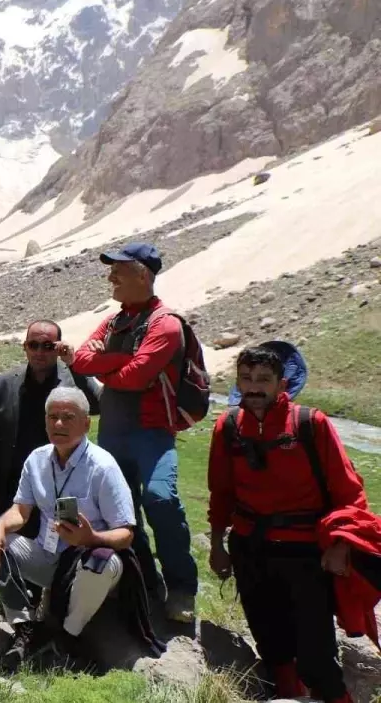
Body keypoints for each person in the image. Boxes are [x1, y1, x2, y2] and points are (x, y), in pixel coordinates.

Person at [207, 345, 374, 703]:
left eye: (263, 380)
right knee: (272, 645)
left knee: (316, 653)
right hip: (249, 548)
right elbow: (220, 492)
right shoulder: (228, 426)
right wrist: (218, 544)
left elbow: (349, 492)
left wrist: (341, 544)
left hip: (305, 552)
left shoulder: (310, 424)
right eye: (246, 379)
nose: (253, 388)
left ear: (282, 383)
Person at [68, 242, 199, 622]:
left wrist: (110, 367)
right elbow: (81, 359)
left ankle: (181, 588)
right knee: (121, 515)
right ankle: (145, 582)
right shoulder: (114, 321)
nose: (111, 277)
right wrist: (123, 361)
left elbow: (136, 376)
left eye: (118, 270)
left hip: (153, 433)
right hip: (113, 431)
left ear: (143, 274)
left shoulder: (166, 323)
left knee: (160, 499)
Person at [0, 387, 137, 672]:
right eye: (53, 417)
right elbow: (21, 511)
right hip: (46, 554)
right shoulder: (37, 460)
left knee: (102, 562)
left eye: (68, 417)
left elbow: (126, 533)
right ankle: (24, 628)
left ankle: (67, 636)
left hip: (86, 564)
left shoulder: (103, 467)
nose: (59, 424)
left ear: (86, 423)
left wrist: (90, 538)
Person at [0, 320, 101, 529]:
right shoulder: (4, 383)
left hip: (64, 484)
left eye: (47, 346)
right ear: (25, 347)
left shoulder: (71, 380)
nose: (39, 352)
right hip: (15, 487)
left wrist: (74, 364)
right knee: (7, 544)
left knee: (67, 540)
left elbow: (97, 405)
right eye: (33, 345)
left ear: (58, 347)